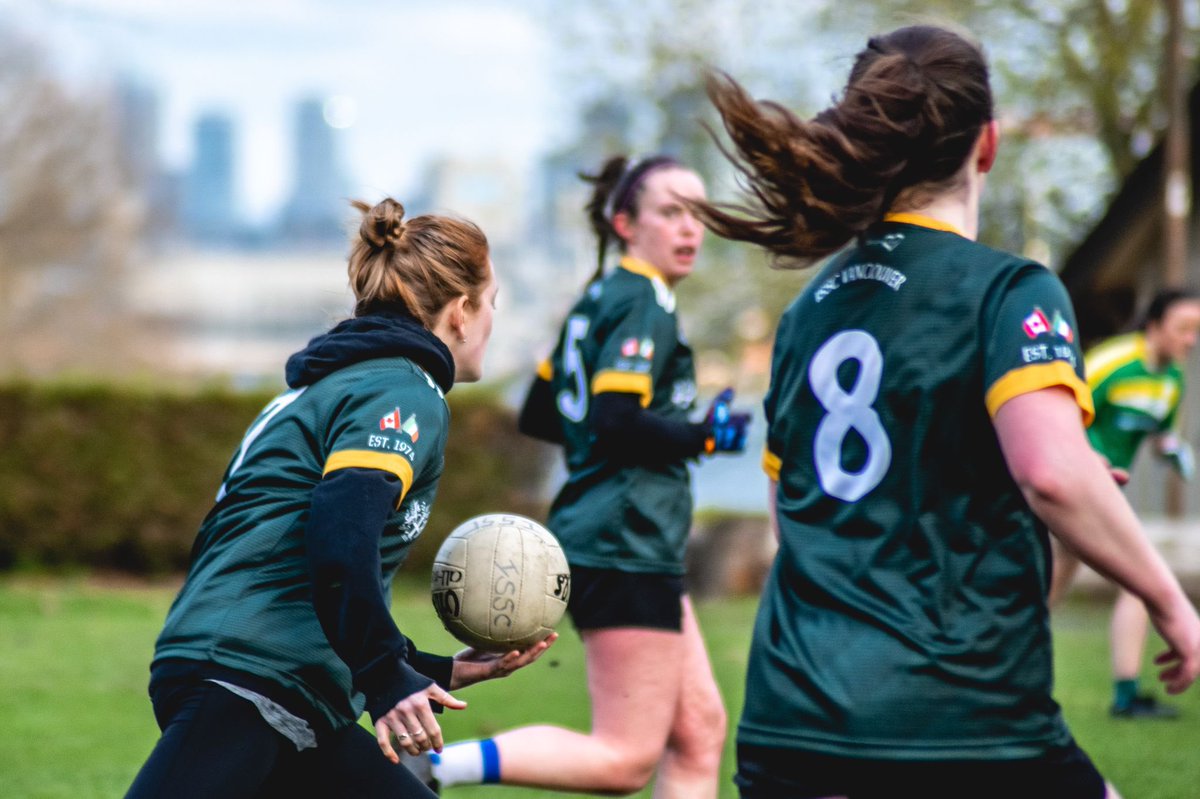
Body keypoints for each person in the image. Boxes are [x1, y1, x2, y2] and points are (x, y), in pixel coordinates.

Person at [688, 25, 1200, 799]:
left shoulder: (807, 313)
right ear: (987, 144)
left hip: (792, 716)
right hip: (953, 716)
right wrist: (1170, 599)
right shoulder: (1009, 290)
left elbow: (796, 518)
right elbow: (1052, 475)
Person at [125, 198, 554, 799]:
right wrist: (385, 680)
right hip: (248, 676)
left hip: (286, 686)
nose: (492, 321)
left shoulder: (350, 378)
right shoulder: (401, 387)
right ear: (460, 311)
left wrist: (432, 669)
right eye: (493, 303)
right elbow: (338, 533)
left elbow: (316, 558)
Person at [425, 155, 750, 797]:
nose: (690, 229)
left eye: (700, 213)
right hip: (624, 538)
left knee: (700, 730)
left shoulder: (599, 297)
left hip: (618, 531)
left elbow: (544, 411)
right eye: (671, 211)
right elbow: (615, 417)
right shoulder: (641, 303)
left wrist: (657, 434)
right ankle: (432, 768)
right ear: (625, 223)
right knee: (625, 757)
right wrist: (703, 434)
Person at [1049, 287, 1200, 719]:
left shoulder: (1172, 380)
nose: (1190, 340)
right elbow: (1059, 413)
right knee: (1138, 579)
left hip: (1106, 490)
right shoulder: (1112, 361)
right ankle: (1126, 695)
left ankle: (1002, 679)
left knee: (1051, 585)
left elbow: (1159, 434)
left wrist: (1172, 450)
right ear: (1154, 325)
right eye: (1183, 329)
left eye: (1196, 332)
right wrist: (1081, 460)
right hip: (1079, 485)